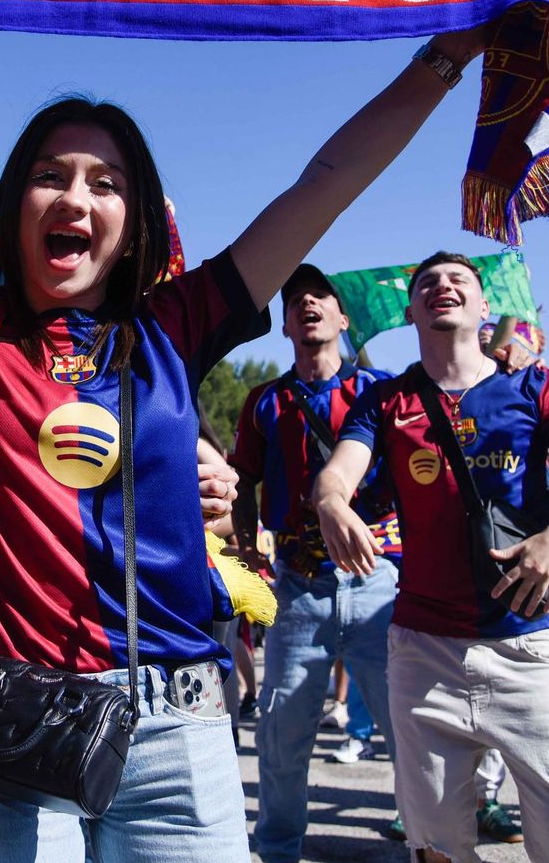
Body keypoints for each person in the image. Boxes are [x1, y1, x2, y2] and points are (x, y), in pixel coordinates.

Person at [0, 0, 494, 861]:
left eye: (106, 182)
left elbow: (326, 179)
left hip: (176, 734)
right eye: (51, 175)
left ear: (135, 223)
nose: (76, 196)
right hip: (5, 730)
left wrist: (447, 56)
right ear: (15, 207)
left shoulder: (179, 321)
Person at [315, 250, 549, 863]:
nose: (443, 287)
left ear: (485, 307)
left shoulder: (534, 383)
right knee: (436, 844)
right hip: (423, 652)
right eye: (428, 282)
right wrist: (331, 504)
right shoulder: (385, 402)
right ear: (411, 310)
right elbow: (337, 477)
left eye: (459, 280)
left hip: (532, 645)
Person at [228, 262, 406, 856]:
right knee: (281, 734)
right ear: (283, 326)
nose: (307, 304)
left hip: (376, 579)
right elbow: (244, 480)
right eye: (296, 300)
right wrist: (249, 547)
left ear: (342, 317)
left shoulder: (381, 394)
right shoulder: (263, 401)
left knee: (409, 727)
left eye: (320, 297)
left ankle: (430, 836)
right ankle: (277, 850)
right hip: (297, 588)